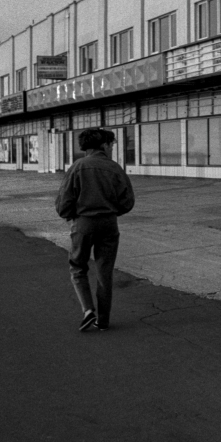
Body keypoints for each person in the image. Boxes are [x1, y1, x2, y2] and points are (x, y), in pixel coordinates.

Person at [55, 128, 135, 332]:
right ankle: (103, 320)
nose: (112, 148)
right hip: (109, 223)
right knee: (104, 272)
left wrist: (71, 215)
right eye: (111, 145)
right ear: (104, 145)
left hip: (83, 223)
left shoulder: (77, 167)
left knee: (78, 266)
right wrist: (112, 211)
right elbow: (128, 201)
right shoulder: (115, 168)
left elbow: (64, 201)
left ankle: (88, 310)